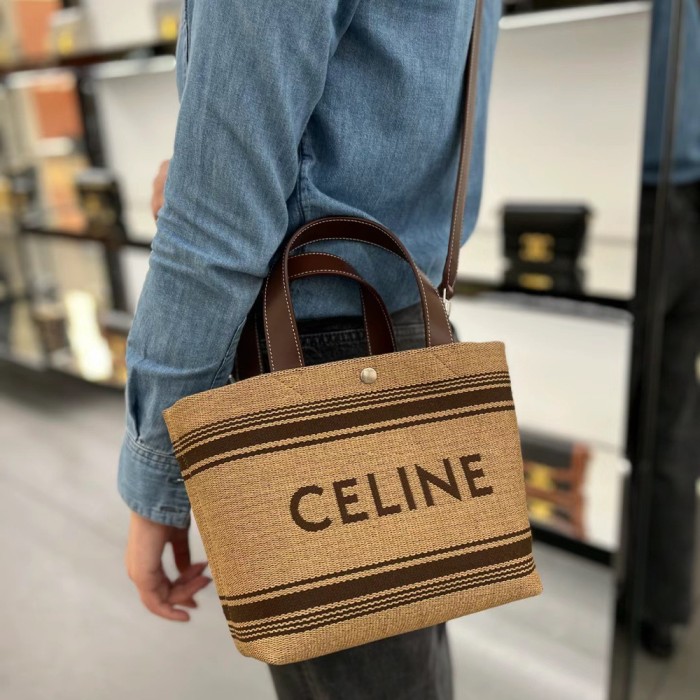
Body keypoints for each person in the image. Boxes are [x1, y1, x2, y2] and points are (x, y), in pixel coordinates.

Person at [119, 1, 500, 697]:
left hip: (306, 364)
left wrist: (157, 475)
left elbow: (216, 231)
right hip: (409, 332)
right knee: (408, 664)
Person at [637, 0, 700, 658]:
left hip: (649, 185)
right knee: (674, 416)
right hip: (689, 188)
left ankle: (633, 585)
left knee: (631, 409)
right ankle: (661, 608)